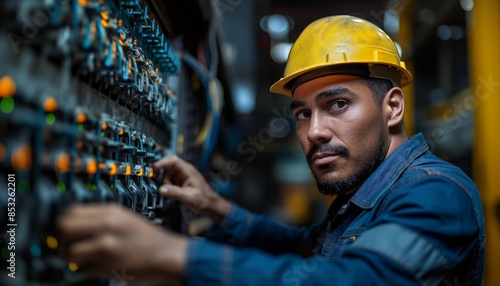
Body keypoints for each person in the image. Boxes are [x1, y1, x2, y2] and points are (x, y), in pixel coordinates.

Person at [58, 15, 485, 285]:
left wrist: (171, 254)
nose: (314, 131)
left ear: (392, 107)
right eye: (302, 113)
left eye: (337, 104)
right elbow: (304, 247)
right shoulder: (362, 197)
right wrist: (215, 208)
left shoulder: (437, 193)